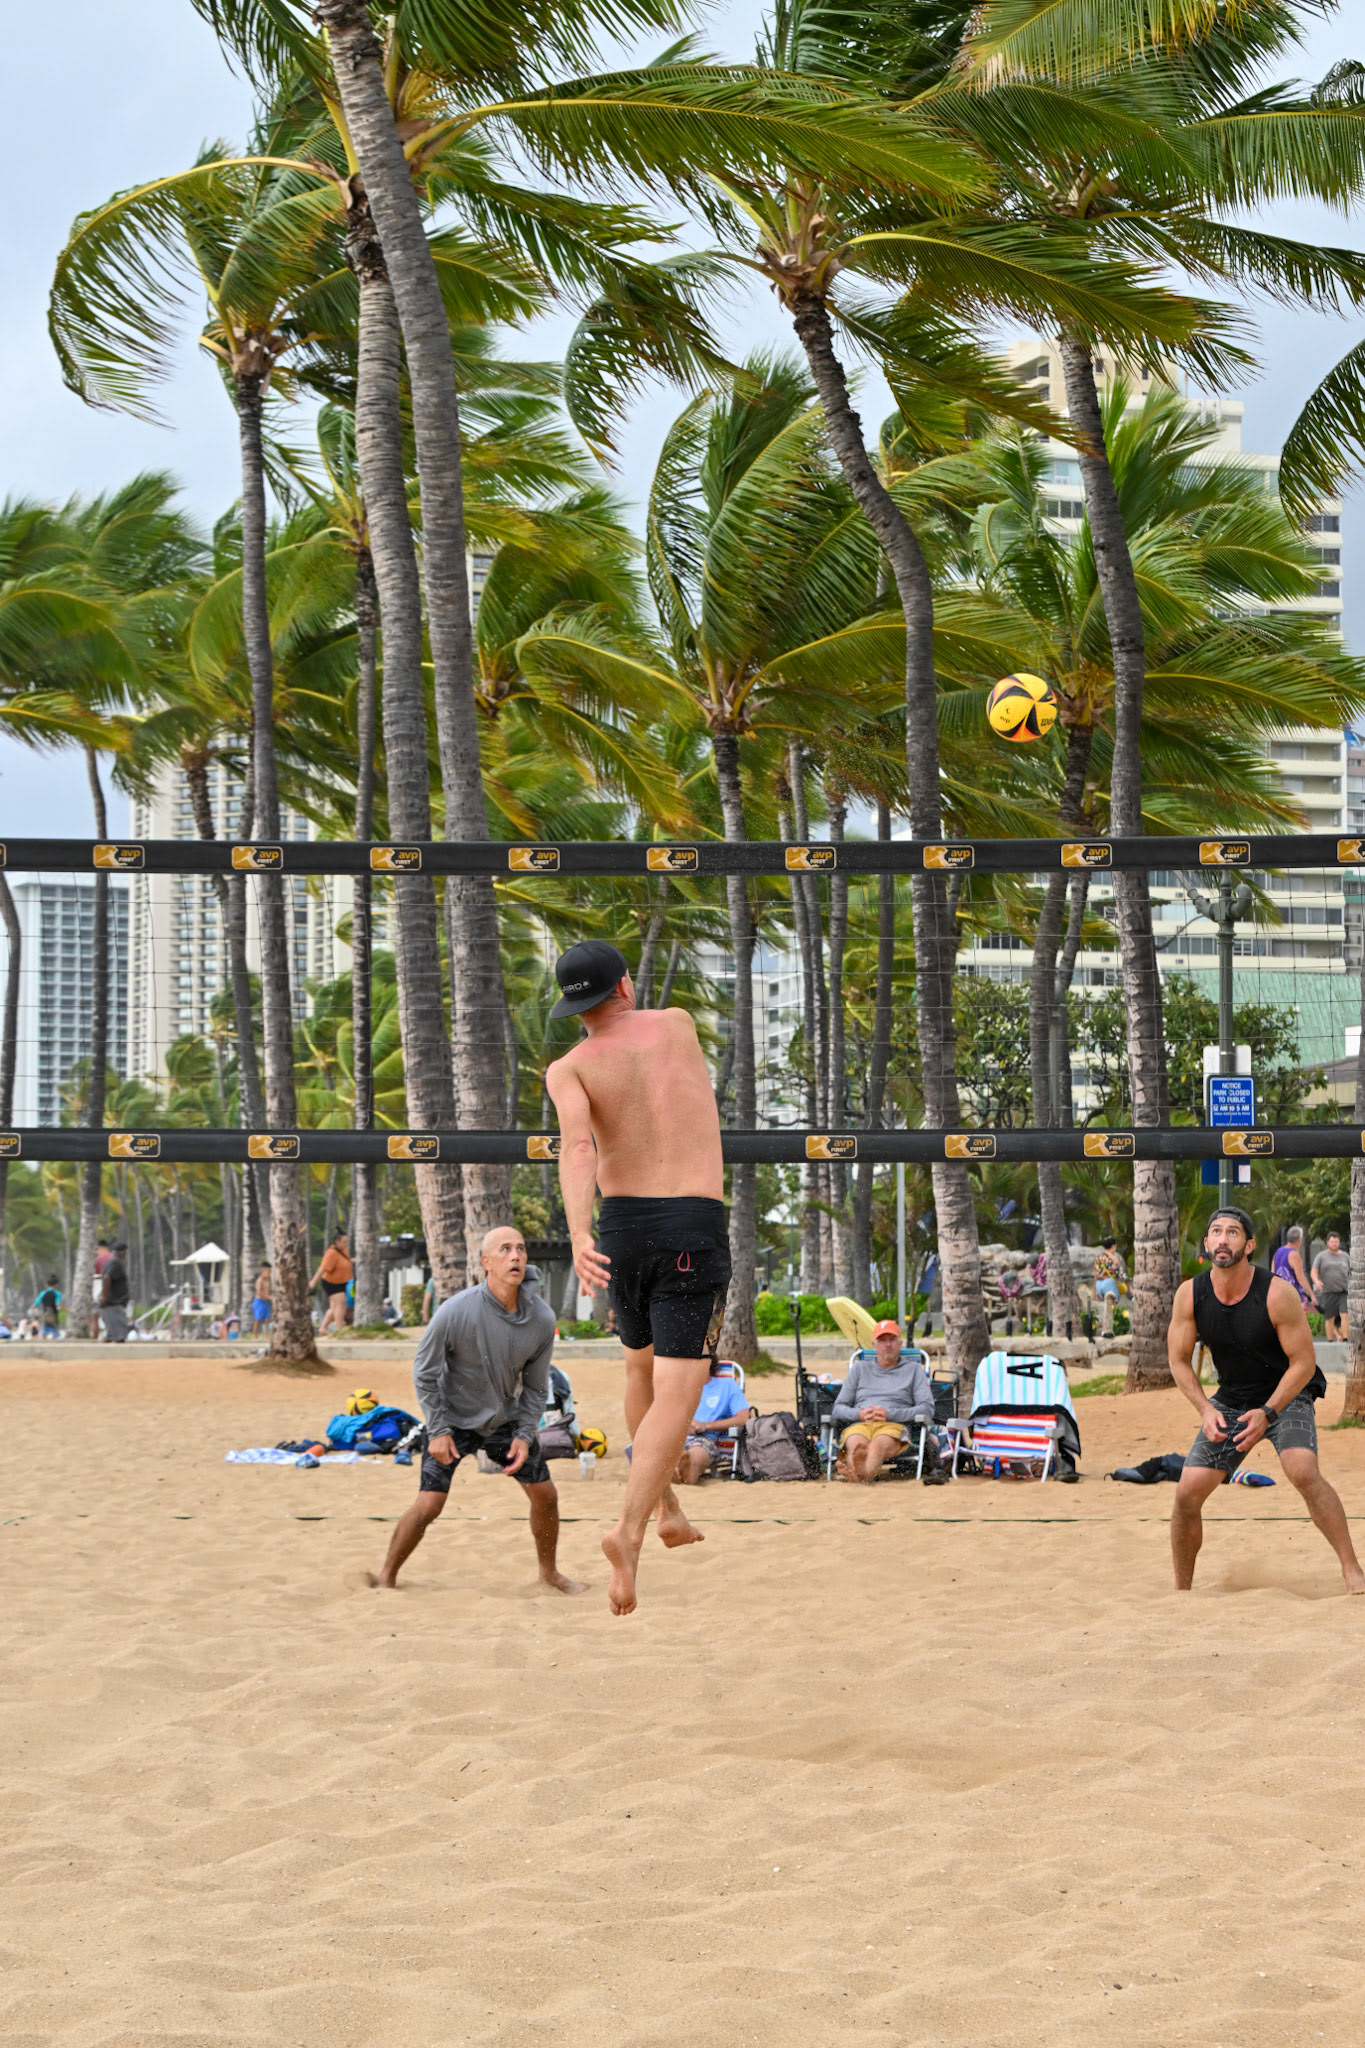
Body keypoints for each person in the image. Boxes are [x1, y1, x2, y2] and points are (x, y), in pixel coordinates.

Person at [545, 938, 730, 1617]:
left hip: (620, 1228)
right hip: (689, 1223)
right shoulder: (677, 1025)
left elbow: (576, 1146)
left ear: (571, 1006)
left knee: (639, 1371)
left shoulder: (567, 1069)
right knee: (679, 1391)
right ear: (623, 986)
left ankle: (668, 1508)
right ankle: (627, 1533)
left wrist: (578, 1235)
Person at [370, 1224, 583, 1595]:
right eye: (505, 1249)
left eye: (520, 1249)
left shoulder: (542, 1319)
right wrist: (436, 1430)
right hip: (452, 1421)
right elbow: (424, 1373)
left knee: (546, 1496)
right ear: (486, 1261)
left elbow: (535, 1386)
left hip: (505, 1419)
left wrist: (523, 1434)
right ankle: (386, 1576)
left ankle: (549, 1573)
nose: (515, 1255)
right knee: (429, 1504)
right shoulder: (455, 1311)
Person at [1167, 1206, 1364, 1594]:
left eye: (1234, 1232)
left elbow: (1304, 1363)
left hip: (1285, 1395)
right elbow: (1177, 1361)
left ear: (1249, 1244)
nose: (1223, 1239)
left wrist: (1268, 1411)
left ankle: (1352, 1569)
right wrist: (1206, 1409)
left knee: (1302, 1470)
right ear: (1207, 1243)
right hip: (1231, 1400)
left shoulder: (1276, 1292)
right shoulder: (1190, 1294)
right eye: (1216, 1232)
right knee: (1187, 1492)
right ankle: (1182, 1592)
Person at [832, 1319, 934, 1483]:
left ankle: (857, 1475)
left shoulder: (913, 1370)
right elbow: (838, 1408)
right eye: (882, 1340)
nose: (888, 1344)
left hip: (893, 1426)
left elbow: (927, 1408)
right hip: (861, 1423)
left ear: (900, 1343)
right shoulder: (859, 1369)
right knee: (856, 1445)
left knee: (876, 1447)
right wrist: (860, 1414)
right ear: (874, 1344)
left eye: (892, 1339)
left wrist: (890, 1414)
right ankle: (861, 1475)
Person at [675, 1370, 752, 1485]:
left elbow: (744, 1419)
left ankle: (682, 1470)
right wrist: (684, 1424)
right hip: (674, 1434)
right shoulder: (676, 1386)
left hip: (703, 1438)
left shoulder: (726, 1385)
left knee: (697, 1453)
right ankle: (676, 1467)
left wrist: (705, 1426)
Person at [309, 1230, 353, 1335]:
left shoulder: (344, 1251)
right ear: (337, 1242)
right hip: (332, 1282)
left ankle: (323, 1328)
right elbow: (322, 1268)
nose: (346, 1244)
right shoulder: (331, 1253)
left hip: (343, 1282)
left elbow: (347, 1261)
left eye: (347, 1242)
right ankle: (340, 1329)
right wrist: (313, 1282)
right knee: (340, 1304)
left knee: (334, 1307)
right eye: (344, 1242)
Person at [1311, 1231, 1350, 1341]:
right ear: (1328, 1242)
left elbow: (1352, 1271)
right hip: (1328, 1291)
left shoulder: (1345, 1256)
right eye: (1332, 1241)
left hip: (1344, 1291)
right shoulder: (1321, 1256)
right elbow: (1313, 1271)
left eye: (1336, 1241)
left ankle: (1346, 1340)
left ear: (1339, 1242)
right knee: (1329, 1318)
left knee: (1345, 1315)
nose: (1334, 1244)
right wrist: (1316, 1280)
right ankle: (1330, 1341)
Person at [1271, 1224, 1315, 1308]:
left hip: (1278, 1294)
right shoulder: (1294, 1255)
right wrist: (1311, 1295)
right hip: (1293, 1296)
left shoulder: (1278, 1251)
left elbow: (1272, 1273)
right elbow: (1301, 1278)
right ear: (1300, 1239)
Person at [1093, 1237, 1128, 1338]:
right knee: (1110, 1307)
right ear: (1113, 1246)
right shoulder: (1114, 1258)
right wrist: (1126, 1281)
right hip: (1109, 1284)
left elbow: (1095, 1275)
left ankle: (1105, 1330)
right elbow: (1119, 1274)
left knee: (1106, 1306)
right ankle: (1107, 1330)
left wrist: (1096, 1291)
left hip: (1099, 1284)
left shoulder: (1099, 1258)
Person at [100, 1242, 131, 1344]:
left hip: (110, 1300)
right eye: (125, 1253)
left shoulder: (109, 1262)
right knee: (120, 1334)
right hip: (114, 1300)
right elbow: (107, 1278)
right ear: (121, 1253)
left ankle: (110, 1340)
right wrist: (104, 1297)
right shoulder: (116, 1263)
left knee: (112, 1330)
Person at [250, 1262, 272, 1328]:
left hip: (265, 1302)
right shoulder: (259, 1280)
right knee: (258, 1319)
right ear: (262, 1271)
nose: (269, 1274)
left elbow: (268, 1290)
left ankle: (267, 1335)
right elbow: (258, 1292)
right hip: (259, 1301)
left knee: (267, 1319)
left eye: (270, 1272)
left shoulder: (268, 1280)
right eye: (268, 1272)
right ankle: (255, 1336)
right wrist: (269, 1297)